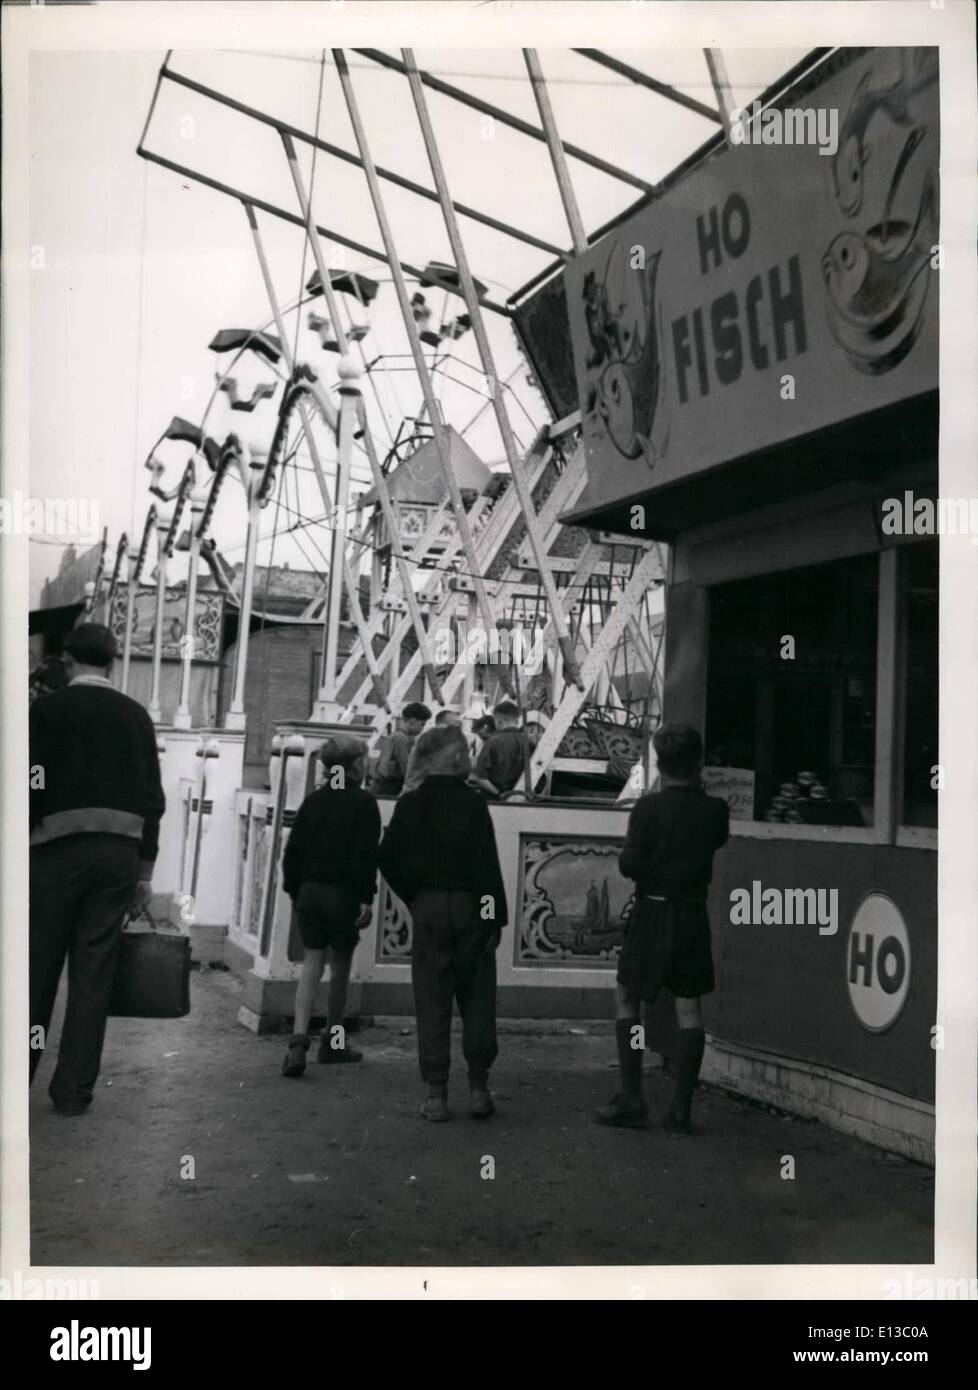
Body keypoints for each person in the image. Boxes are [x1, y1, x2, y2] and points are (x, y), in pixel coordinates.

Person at [29, 622, 165, 1116]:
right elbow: (154, 798)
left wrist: (31, 822)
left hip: (54, 853)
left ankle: (20, 1071)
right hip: (117, 859)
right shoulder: (137, 718)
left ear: (68, 660)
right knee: (93, 975)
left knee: (38, 973)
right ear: (111, 662)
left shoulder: (46, 710)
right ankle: (73, 1090)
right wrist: (145, 872)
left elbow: (34, 777)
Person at [597, 723, 729, 1133]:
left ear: (660, 762)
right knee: (689, 1008)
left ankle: (633, 1097)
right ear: (698, 762)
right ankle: (681, 1108)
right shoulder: (715, 810)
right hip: (691, 914)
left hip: (652, 914)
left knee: (628, 1000)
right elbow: (715, 843)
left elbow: (629, 865)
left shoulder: (648, 809)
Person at [378, 725, 507, 1122]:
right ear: (455, 761)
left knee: (431, 997)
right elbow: (487, 868)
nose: (471, 756)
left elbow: (388, 858)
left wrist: (415, 897)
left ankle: (436, 1094)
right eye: (466, 752)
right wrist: (492, 921)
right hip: (470, 906)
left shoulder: (410, 804)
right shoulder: (473, 805)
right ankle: (478, 1089)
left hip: (430, 907)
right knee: (477, 995)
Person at [281, 735, 381, 1076]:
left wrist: (295, 891)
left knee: (311, 964)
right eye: (364, 760)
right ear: (355, 765)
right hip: (342, 895)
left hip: (309, 893)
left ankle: (297, 1042)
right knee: (339, 970)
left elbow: (292, 852)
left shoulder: (313, 801)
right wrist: (366, 897)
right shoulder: (363, 803)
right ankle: (333, 1043)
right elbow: (366, 857)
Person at [370, 701, 431, 797]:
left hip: (381, 786)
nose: (422, 729)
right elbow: (407, 769)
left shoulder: (393, 736)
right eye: (422, 724)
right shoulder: (402, 739)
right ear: (413, 721)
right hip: (392, 788)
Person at [469, 699, 527, 798]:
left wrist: (499, 794)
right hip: (524, 798)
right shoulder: (529, 743)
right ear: (517, 721)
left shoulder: (493, 742)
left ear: (498, 721)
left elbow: (478, 777)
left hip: (495, 801)